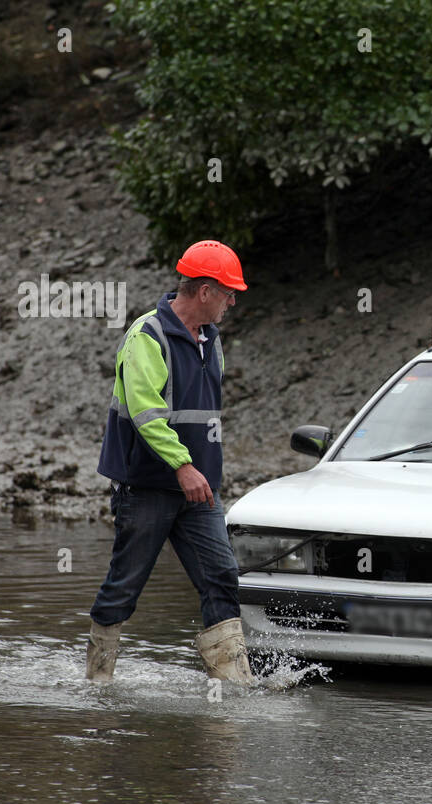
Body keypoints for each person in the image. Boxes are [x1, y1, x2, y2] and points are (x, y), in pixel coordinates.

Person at [87, 239, 254, 685]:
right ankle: (98, 681)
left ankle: (235, 687)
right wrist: (183, 465)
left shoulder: (211, 340)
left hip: (199, 491)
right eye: (228, 292)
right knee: (125, 584)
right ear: (204, 291)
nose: (232, 302)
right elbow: (146, 414)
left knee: (221, 577)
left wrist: (204, 472)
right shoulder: (147, 336)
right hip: (147, 488)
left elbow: (203, 415)